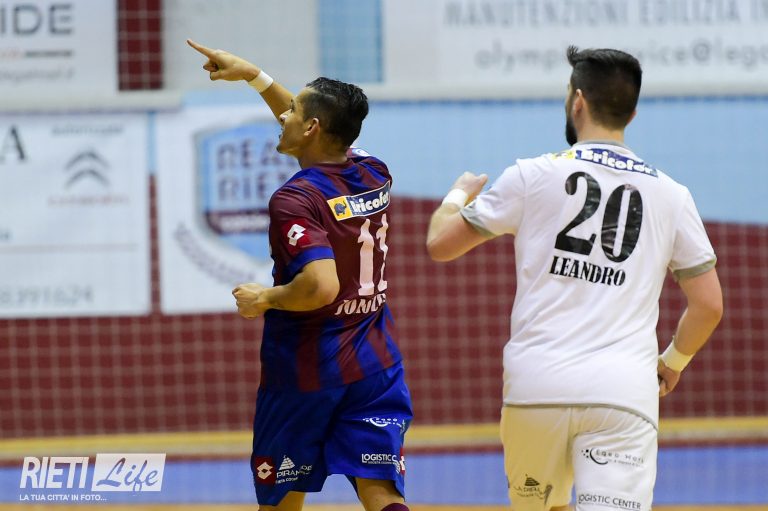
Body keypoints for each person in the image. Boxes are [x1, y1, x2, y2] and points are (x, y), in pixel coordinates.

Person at [426, 46, 723, 511]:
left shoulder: (531, 174)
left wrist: (457, 195)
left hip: (535, 387)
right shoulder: (672, 195)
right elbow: (708, 305)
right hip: (623, 392)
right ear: (632, 113)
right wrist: (673, 361)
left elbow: (440, 244)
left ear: (577, 101)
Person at [187, 40, 412, 511]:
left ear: (311, 127)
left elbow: (321, 286)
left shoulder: (295, 198)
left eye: (292, 110)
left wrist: (265, 299)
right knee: (380, 491)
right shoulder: (373, 170)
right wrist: (254, 76)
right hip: (375, 364)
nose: (283, 114)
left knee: (282, 496)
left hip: (309, 370)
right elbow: (317, 128)